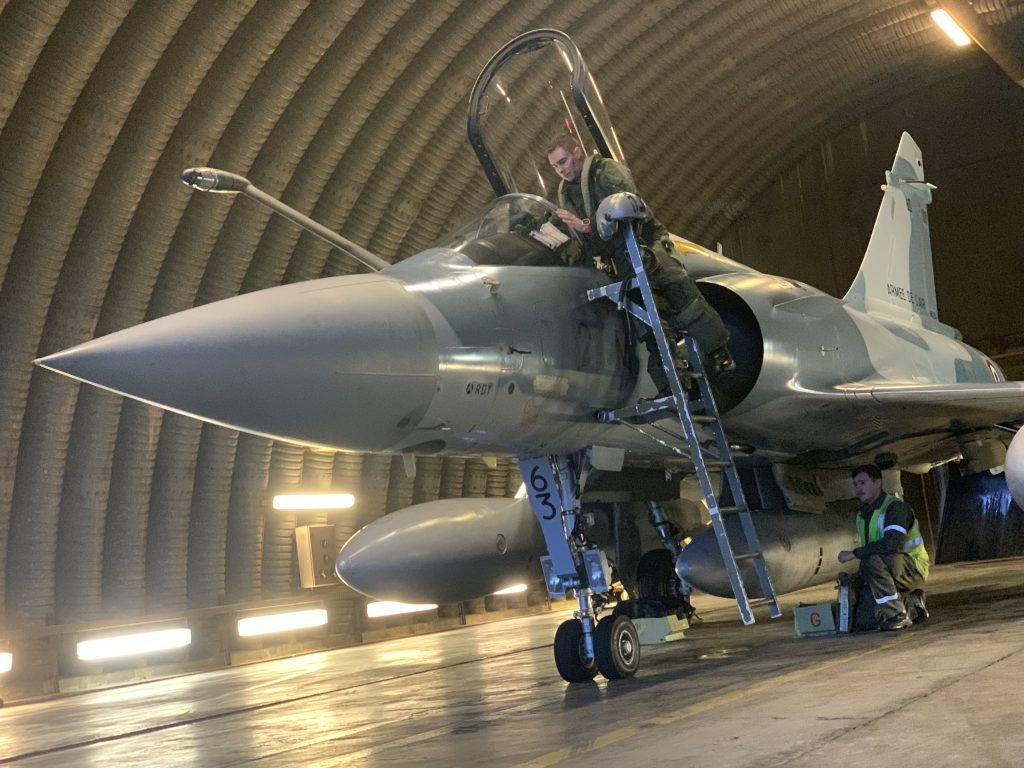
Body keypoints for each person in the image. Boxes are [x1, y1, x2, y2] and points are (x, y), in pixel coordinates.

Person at [545, 135, 735, 395]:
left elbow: (629, 211)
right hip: (618, 259)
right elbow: (585, 236)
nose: (561, 170)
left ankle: (718, 351)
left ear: (577, 153)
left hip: (644, 242)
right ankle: (672, 382)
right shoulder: (565, 192)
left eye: (563, 161)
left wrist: (586, 226)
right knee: (643, 320)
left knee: (678, 288)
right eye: (555, 167)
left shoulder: (607, 171)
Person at [838, 464, 930, 631]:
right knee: (863, 624)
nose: (858, 489)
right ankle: (912, 603)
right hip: (887, 568)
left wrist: (854, 554)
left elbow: (891, 544)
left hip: (911, 567)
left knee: (869, 562)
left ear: (878, 482)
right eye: (855, 484)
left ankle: (897, 615)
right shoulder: (863, 515)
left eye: (862, 483)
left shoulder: (895, 508)